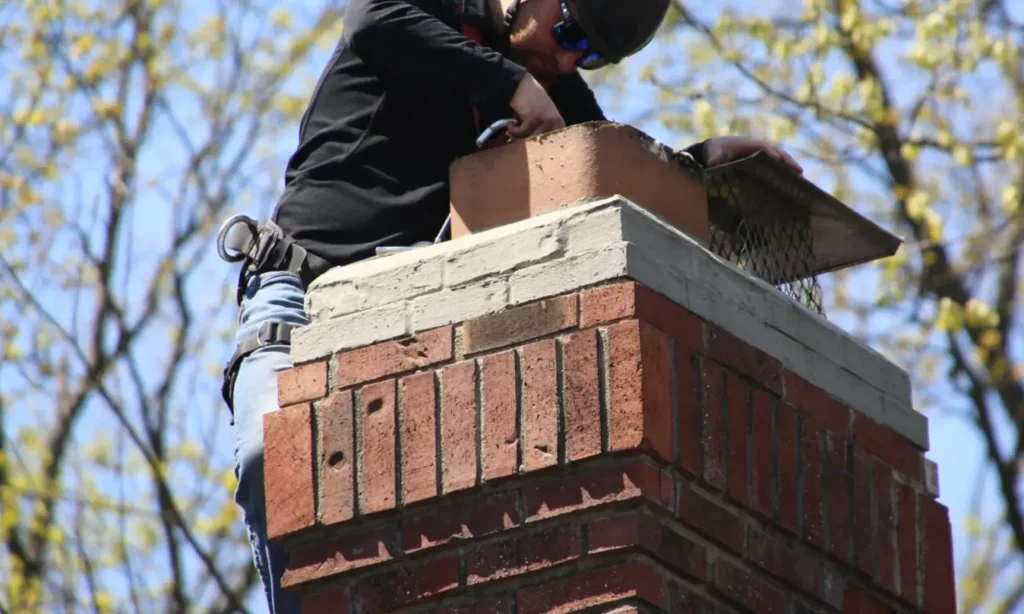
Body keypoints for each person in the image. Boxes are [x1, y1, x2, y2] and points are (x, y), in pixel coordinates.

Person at [216, 0, 804, 610]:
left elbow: (609, 168)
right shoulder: (438, 17)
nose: (570, 58)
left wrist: (701, 163)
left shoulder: (549, 84)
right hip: (300, 301)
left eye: (593, 56)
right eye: (570, 30)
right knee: (272, 457)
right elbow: (369, 20)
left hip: (407, 324)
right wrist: (515, 85)